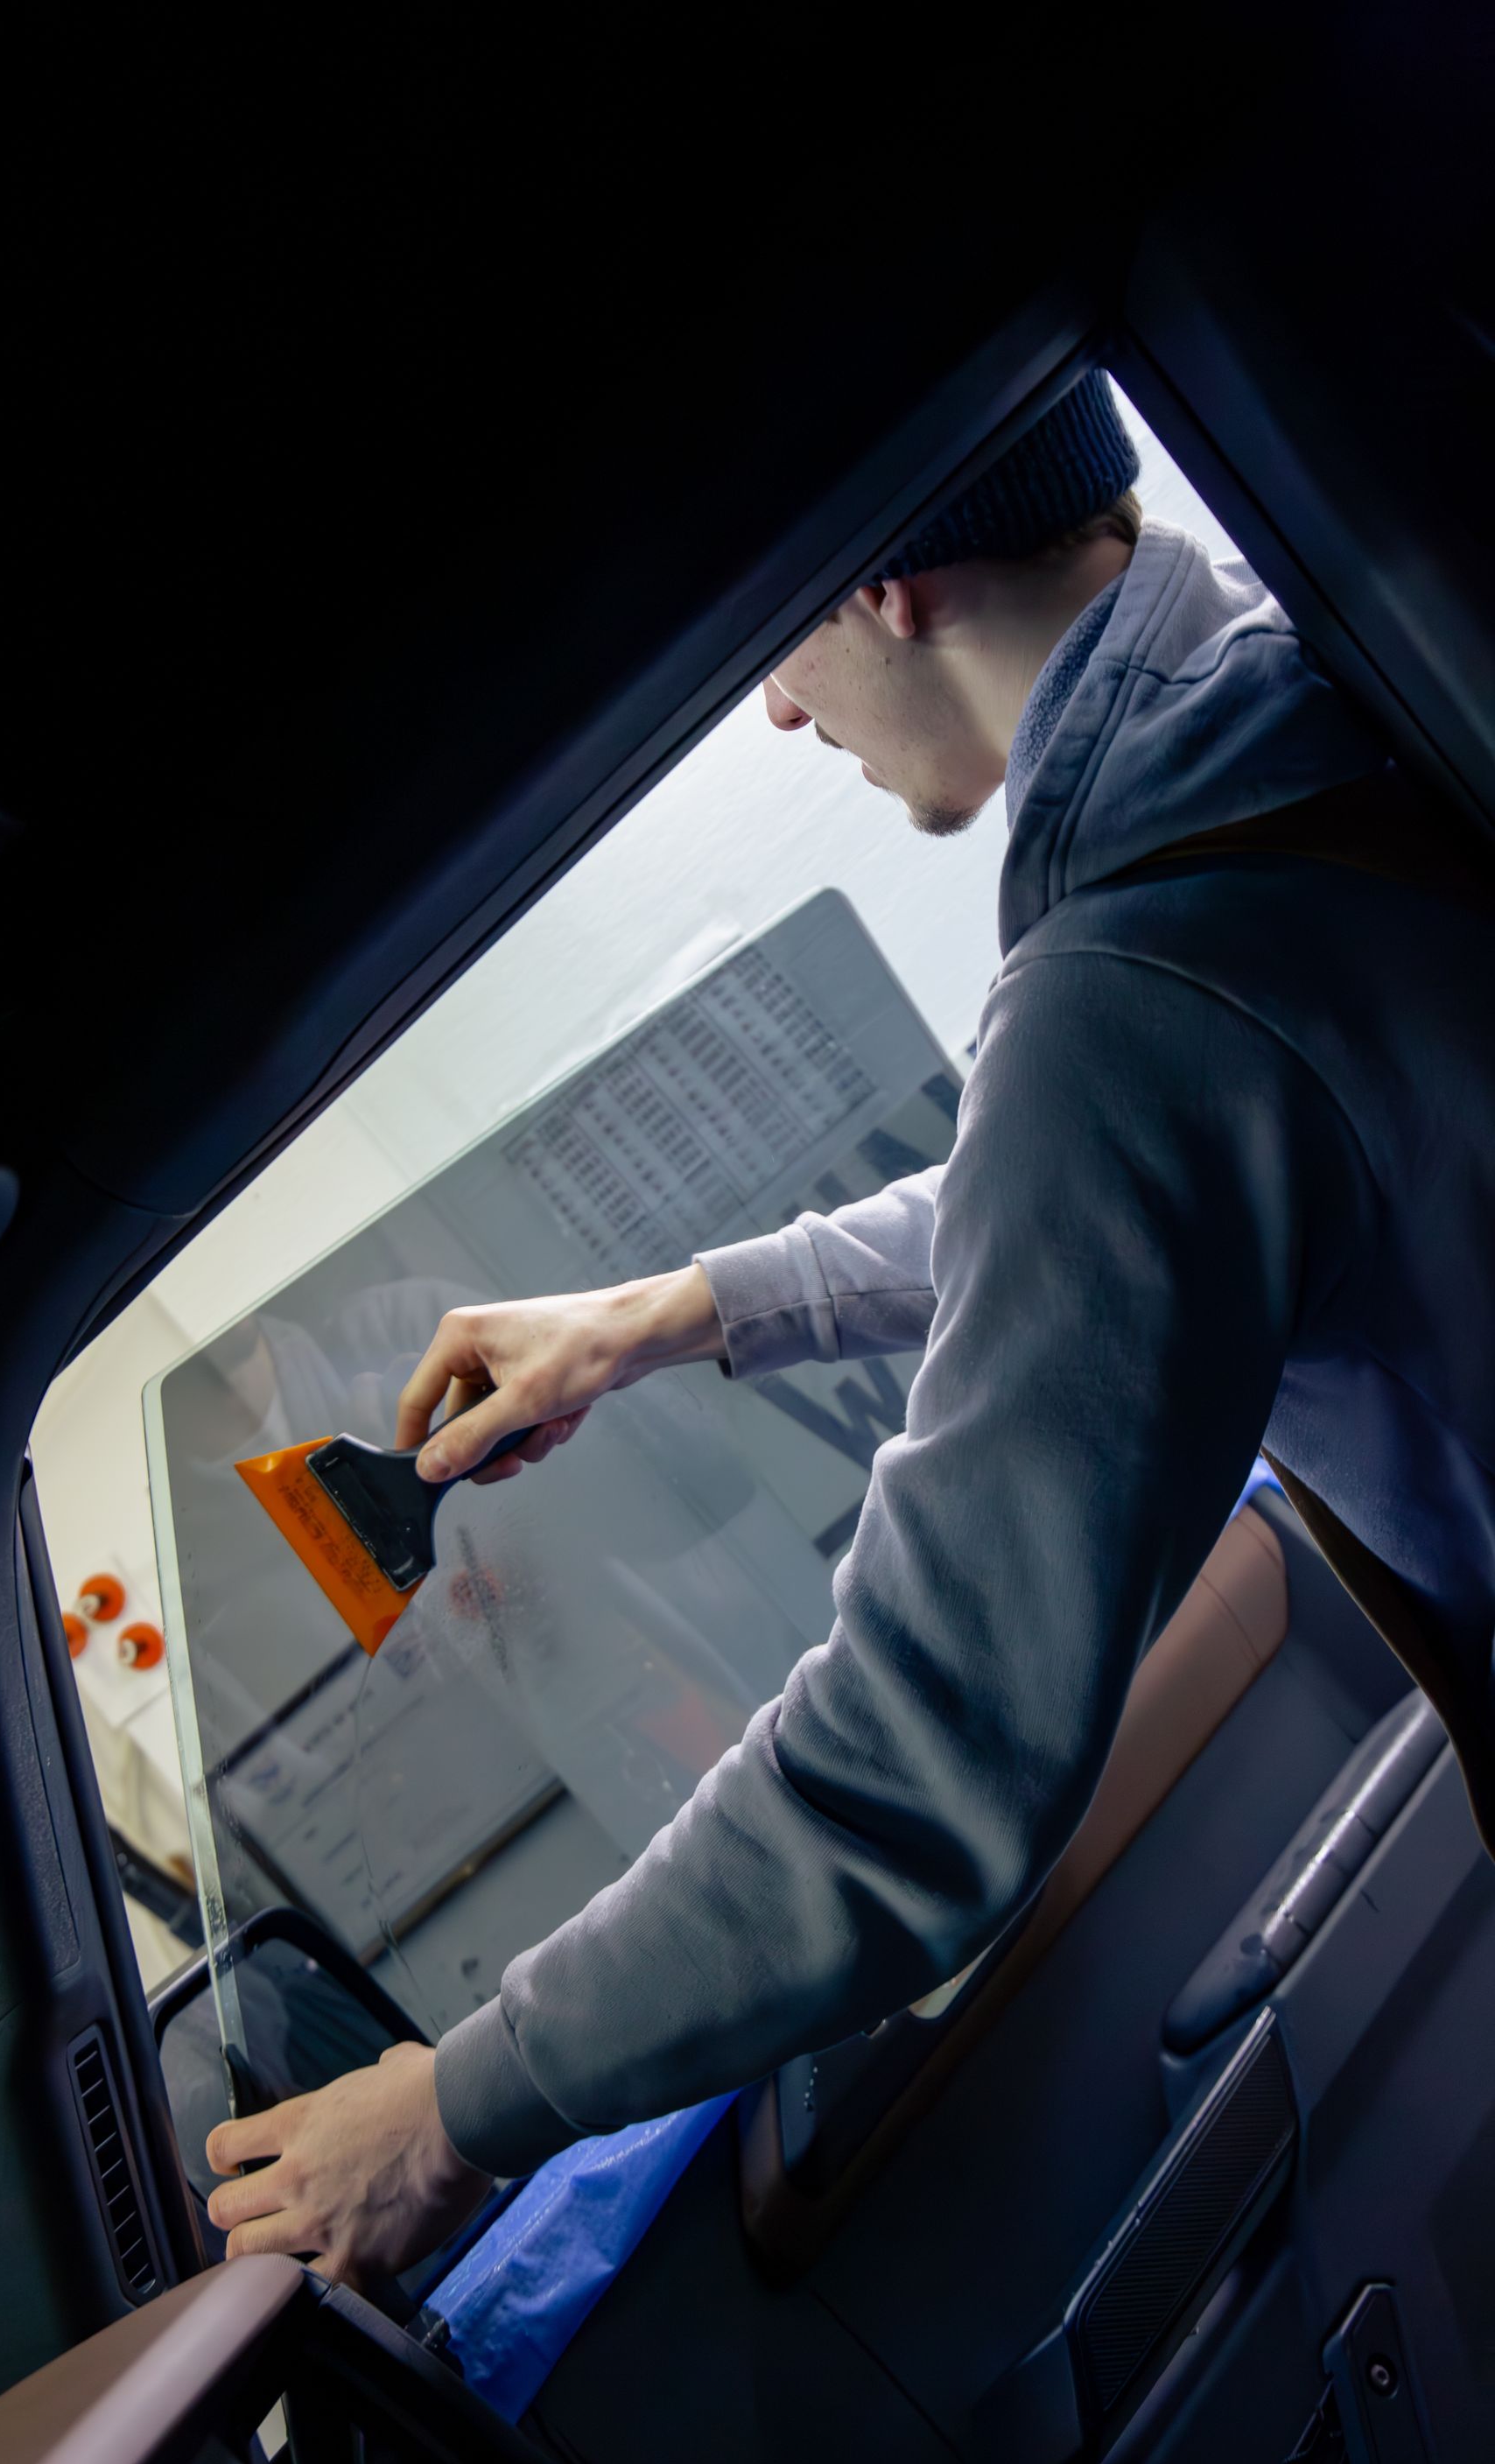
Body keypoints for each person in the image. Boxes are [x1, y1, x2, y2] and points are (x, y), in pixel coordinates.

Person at [203, 371, 1494, 2285]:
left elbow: (925, 1760)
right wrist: (674, 1313)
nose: (782, 710)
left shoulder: (1128, 991)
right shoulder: (1271, 693)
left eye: (777, 644)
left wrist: (458, 2106)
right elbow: (1116, 1184)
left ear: (884, 581)